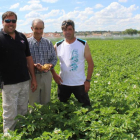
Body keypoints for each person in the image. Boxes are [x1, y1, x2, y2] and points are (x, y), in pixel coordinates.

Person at [0, 11, 37, 134]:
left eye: (13, 21)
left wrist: (33, 78)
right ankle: (9, 135)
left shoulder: (21, 37)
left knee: (23, 110)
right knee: (10, 113)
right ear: (3, 22)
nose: (11, 23)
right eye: (8, 21)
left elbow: (29, 58)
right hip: (8, 84)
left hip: (24, 81)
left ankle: (22, 134)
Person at [51, 19, 94, 106]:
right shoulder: (58, 45)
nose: (67, 32)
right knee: (62, 110)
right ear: (62, 31)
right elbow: (50, 61)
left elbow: (90, 63)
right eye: (65, 30)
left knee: (86, 108)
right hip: (63, 83)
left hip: (79, 83)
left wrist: (88, 80)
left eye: (70, 29)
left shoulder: (83, 44)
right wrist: (54, 74)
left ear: (74, 30)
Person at [28, 19, 57, 106]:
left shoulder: (48, 42)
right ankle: (34, 118)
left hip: (46, 76)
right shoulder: (27, 43)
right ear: (31, 28)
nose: (39, 31)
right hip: (32, 76)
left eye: (41, 28)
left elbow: (54, 58)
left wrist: (50, 65)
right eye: (36, 28)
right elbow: (22, 61)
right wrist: (33, 65)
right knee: (33, 103)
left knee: (46, 101)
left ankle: (45, 118)